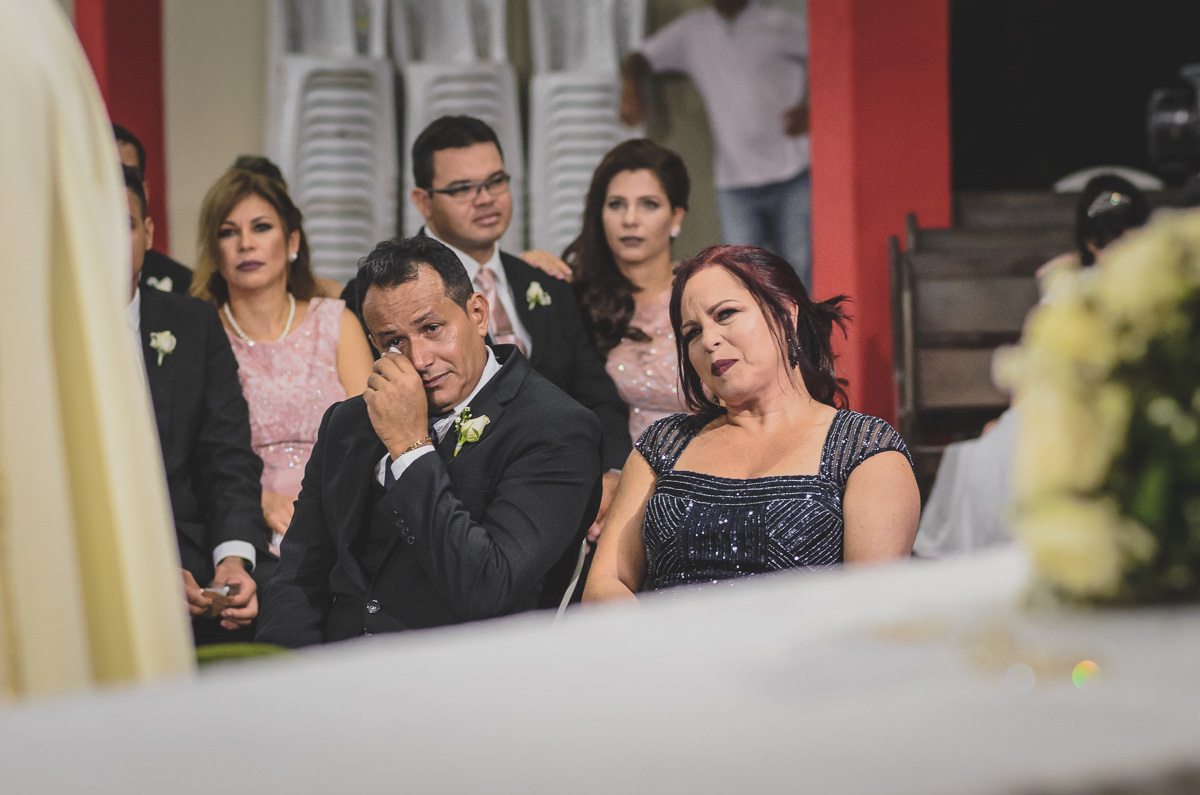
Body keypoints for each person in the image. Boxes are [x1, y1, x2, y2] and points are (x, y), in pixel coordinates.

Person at [256, 236, 603, 646]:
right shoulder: (347, 423)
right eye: (394, 342)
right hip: (337, 669)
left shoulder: (556, 428)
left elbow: (488, 589)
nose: (419, 359)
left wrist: (410, 449)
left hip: (460, 677)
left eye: (431, 329)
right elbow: (299, 577)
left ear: (477, 314)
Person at [342, 115, 632, 537]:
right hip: (453, 507)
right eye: (462, 188)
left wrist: (610, 474)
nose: (486, 199)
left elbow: (598, 397)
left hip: (566, 493)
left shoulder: (544, 283)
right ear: (423, 201)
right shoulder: (376, 300)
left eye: (496, 181)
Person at [584, 245, 919, 600]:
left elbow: (869, 614)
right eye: (692, 333)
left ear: (786, 314)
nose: (709, 341)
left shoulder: (863, 448)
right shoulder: (663, 445)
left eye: (725, 314)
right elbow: (606, 582)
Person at [191, 168, 374, 557]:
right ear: (214, 251)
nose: (245, 244)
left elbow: (368, 439)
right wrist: (258, 503)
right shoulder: (199, 334)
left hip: (340, 516)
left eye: (261, 227)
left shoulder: (337, 321)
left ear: (292, 240)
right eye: (228, 232)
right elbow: (190, 459)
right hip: (237, 525)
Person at [123, 165, 267, 641]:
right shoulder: (32, 331)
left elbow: (226, 456)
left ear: (147, 234)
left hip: (190, 551)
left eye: (122, 224)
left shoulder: (192, 323)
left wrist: (231, 558)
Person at [620, 0, 812, 288]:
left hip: (792, 173)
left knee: (798, 275)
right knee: (744, 279)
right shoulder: (693, 31)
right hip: (735, 182)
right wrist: (631, 89)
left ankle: (801, 334)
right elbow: (638, 58)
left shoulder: (781, 22)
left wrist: (814, 107)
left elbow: (833, 53)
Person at [560, 139, 691, 439]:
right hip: (609, 473)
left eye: (649, 204)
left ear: (676, 216)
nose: (630, 220)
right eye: (616, 204)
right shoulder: (575, 298)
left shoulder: (704, 292)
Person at [1036, 174, 1150, 297]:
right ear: (1089, 243)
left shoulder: (1162, 280)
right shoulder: (1075, 286)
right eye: (1108, 243)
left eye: (1129, 243)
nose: (1119, 255)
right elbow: (1045, 276)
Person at [114, 123, 193, 295]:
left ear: (145, 190)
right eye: (107, 174)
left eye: (129, 175)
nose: (118, 185)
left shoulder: (183, 285)